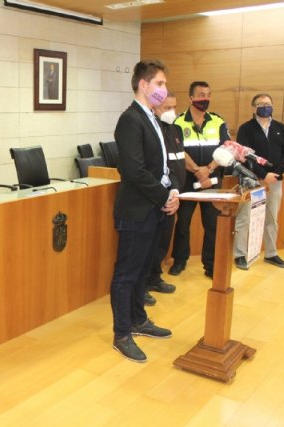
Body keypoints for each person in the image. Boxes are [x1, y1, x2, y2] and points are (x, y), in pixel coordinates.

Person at [110, 60, 179, 363]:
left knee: (141, 272)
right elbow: (134, 171)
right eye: (160, 83)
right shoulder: (130, 119)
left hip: (154, 209)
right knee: (126, 274)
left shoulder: (152, 117)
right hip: (136, 210)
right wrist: (163, 196)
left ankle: (139, 320)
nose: (164, 89)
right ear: (143, 84)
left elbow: (163, 165)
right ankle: (122, 333)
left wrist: (172, 191)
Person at [169, 81, 230, 278]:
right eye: (202, 95)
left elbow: (226, 148)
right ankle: (179, 260)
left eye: (209, 95)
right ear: (191, 97)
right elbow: (178, 150)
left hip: (212, 181)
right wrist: (197, 170)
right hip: (186, 180)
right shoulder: (178, 122)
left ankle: (210, 266)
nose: (206, 99)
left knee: (212, 224)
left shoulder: (218, 121)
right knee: (183, 223)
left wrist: (209, 169)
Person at [234, 94, 284, 270]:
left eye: (268, 103)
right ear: (254, 108)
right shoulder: (246, 128)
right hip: (251, 180)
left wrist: (275, 174)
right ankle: (239, 254)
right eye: (261, 104)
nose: (265, 106)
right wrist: (262, 175)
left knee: (272, 218)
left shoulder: (280, 127)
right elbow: (244, 156)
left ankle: (271, 254)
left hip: (274, 181)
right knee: (245, 217)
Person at [144, 92, 186, 303]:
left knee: (162, 242)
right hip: (155, 196)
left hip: (173, 193)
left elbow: (174, 164)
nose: (172, 112)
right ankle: (142, 284)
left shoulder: (175, 129)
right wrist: (164, 194)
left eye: (174, 107)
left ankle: (154, 277)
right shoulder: (153, 130)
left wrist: (175, 191)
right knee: (147, 245)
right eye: (167, 108)